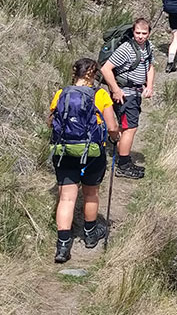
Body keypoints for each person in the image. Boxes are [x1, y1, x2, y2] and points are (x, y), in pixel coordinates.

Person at [49, 57, 120, 262]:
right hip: (92, 153)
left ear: (75, 73)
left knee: (66, 198)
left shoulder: (61, 94)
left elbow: (51, 122)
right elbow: (112, 127)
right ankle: (90, 234)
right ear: (94, 74)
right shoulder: (100, 94)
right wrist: (115, 137)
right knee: (90, 194)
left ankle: (63, 246)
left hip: (64, 152)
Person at [101, 17, 155, 179]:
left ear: (149, 33)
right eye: (138, 33)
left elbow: (150, 67)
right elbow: (105, 69)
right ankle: (123, 166)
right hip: (125, 94)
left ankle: (118, 149)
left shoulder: (148, 47)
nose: (140, 36)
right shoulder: (125, 48)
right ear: (133, 32)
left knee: (126, 127)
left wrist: (149, 86)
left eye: (144, 33)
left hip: (136, 93)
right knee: (130, 128)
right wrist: (116, 90)